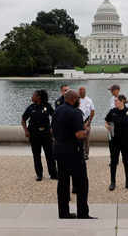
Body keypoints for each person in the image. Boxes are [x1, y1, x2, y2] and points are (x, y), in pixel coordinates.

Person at [52, 90, 96, 219]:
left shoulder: (57, 111)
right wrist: (86, 130)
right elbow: (79, 134)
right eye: (78, 99)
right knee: (82, 183)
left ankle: (63, 212)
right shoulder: (75, 112)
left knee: (63, 183)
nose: (79, 101)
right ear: (73, 99)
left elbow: (53, 130)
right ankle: (83, 213)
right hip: (73, 152)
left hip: (59, 150)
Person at [22, 90, 57, 181]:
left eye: (33, 95)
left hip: (46, 134)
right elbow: (23, 119)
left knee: (50, 155)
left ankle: (53, 174)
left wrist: (52, 128)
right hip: (34, 135)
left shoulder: (47, 106)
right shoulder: (30, 107)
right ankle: (39, 174)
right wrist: (26, 131)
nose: (32, 97)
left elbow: (55, 117)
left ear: (39, 97)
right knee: (36, 155)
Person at [105, 95, 128, 191]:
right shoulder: (112, 111)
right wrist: (107, 126)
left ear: (122, 101)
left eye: (117, 101)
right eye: (115, 101)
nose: (115, 102)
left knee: (126, 161)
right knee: (113, 162)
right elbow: (106, 121)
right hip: (114, 141)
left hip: (126, 141)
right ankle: (112, 182)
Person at [78, 87, 95, 160]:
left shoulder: (89, 100)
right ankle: (79, 153)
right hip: (78, 122)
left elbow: (93, 112)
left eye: (83, 91)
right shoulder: (76, 100)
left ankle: (86, 154)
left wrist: (89, 122)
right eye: (80, 91)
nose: (82, 92)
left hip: (86, 122)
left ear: (85, 92)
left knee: (86, 139)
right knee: (78, 138)